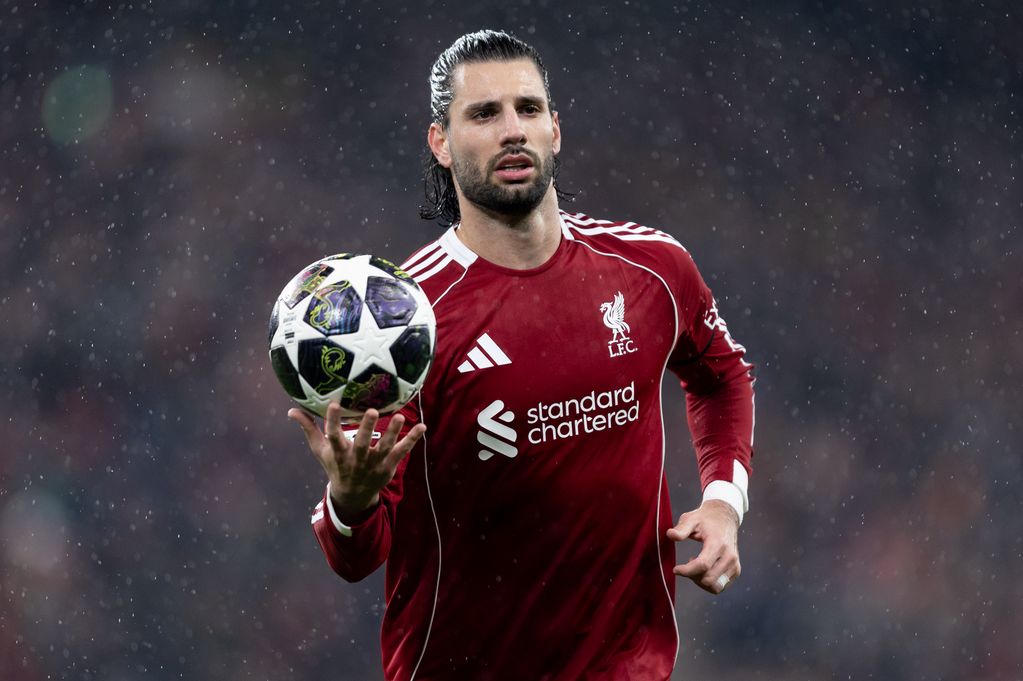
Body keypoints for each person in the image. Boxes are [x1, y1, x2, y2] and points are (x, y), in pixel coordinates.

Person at [289, 29, 756, 681]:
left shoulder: (650, 270)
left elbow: (720, 375)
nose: (512, 129)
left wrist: (722, 502)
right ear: (441, 143)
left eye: (527, 109)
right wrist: (352, 497)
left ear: (555, 129)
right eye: (483, 114)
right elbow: (353, 553)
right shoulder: (404, 323)